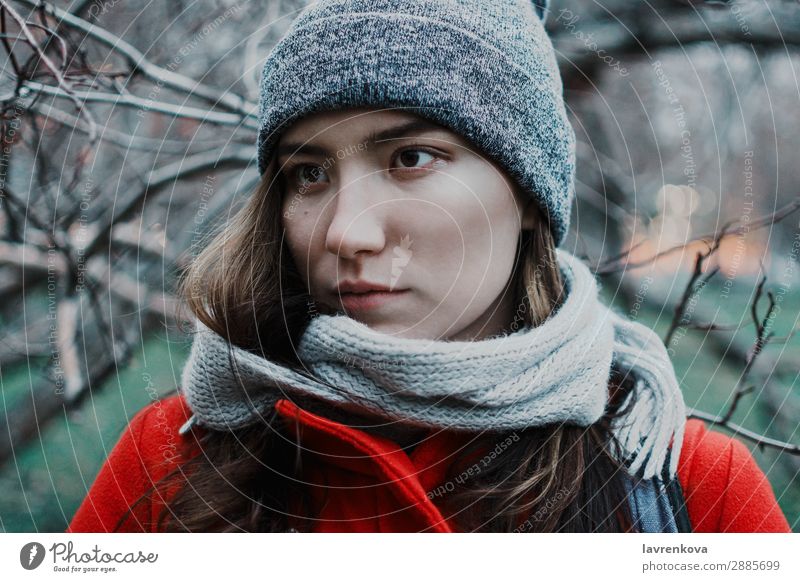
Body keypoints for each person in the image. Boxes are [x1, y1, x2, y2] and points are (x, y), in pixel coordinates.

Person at [67, 0, 790, 533]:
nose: (347, 232)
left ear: (529, 195)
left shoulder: (688, 491)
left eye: (410, 158)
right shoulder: (172, 462)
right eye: (309, 173)